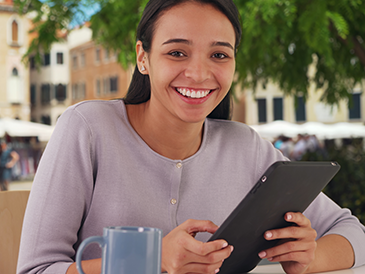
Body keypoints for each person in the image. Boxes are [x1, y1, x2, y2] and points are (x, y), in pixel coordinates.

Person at [17, 1, 365, 274]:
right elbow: (37, 270)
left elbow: (353, 231)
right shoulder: (87, 128)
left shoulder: (246, 146)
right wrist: (153, 261)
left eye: (219, 55)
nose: (199, 73)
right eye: (177, 52)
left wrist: (310, 258)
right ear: (143, 58)